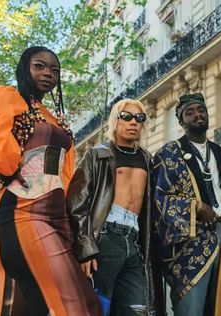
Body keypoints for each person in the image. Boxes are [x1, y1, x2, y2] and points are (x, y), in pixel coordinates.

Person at [0, 46, 102, 315]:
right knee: (82, 306)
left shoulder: (51, 115)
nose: (48, 74)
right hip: (19, 212)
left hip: (54, 215)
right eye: (39, 66)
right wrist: (3, 160)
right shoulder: (7, 99)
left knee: (20, 307)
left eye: (54, 70)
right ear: (24, 68)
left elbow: (63, 174)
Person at [67, 99, 164, 316]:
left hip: (134, 242)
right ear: (115, 120)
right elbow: (76, 203)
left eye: (139, 118)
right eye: (127, 117)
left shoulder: (147, 159)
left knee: (137, 309)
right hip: (105, 237)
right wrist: (85, 248)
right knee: (98, 307)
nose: (133, 122)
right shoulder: (97, 154)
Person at [152, 93, 221, 316]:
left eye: (201, 110)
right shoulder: (168, 154)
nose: (198, 114)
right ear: (181, 122)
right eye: (190, 112)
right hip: (190, 243)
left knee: (220, 305)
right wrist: (194, 207)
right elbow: (160, 199)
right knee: (191, 308)